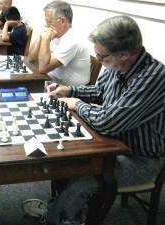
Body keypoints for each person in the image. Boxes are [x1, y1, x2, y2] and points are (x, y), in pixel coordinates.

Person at [23, 15, 165, 225]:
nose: (99, 61)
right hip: (110, 143)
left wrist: (77, 104)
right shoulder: (117, 65)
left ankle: (65, 217)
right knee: (63, 163)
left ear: (124, 54)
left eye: (102, 58)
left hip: (140, 158)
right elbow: (99, 91)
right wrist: (69, 90)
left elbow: (109, 121)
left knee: (80, 180)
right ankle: (64, 211)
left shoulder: (154, 77)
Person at [28, 1, 90, 86]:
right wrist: (40, 36)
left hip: (72, 92)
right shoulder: (56, 34)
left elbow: (43, 68)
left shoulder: (72, 39)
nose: (46, 25)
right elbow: (31, 58)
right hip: (53, 82)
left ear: (63, 21)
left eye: (49, 21)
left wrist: (45, 39)